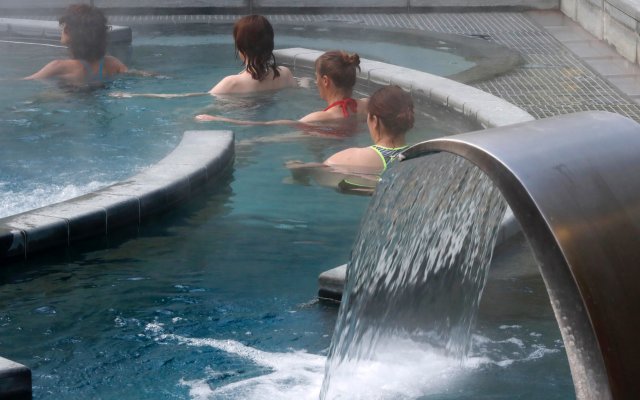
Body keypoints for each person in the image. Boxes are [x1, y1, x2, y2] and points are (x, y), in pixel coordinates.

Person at [111, 15, 295, 98]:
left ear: (240, 47)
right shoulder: (285, 74)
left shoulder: (232, 83)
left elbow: (191, 97)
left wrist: (136, 95)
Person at [286, 85, 414, 193]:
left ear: (374, 121)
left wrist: (297, 168)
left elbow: (317, 174)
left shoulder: (351, 157)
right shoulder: (419, 156)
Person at [195, 50, 368, 126]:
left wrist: (222, 119)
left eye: (316, 77)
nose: (315, 82)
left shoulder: (316, 119)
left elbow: (267, 124)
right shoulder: (367, 106)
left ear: (325, 81)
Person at [24, 4, 127, 85]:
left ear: (68, 31)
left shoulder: (58, 67)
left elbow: (24, 83)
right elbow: (132, 75)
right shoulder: (113, 63)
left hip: (70, 101)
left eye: (63, 26)